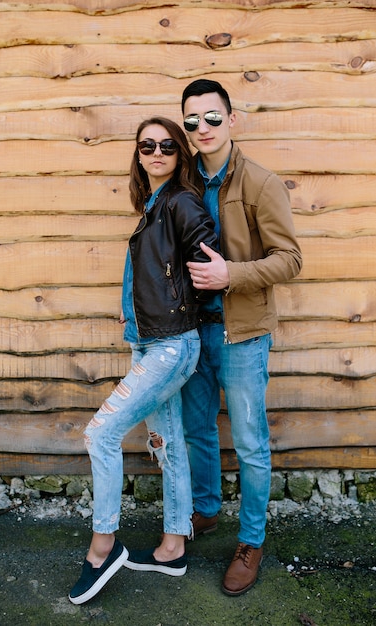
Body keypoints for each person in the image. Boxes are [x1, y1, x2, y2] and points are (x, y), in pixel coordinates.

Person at [69, 117, 219, 605]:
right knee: (167, 443)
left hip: (171, 346)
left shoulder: (180, 201)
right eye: (147, 146)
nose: (157, 153)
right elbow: (156, 268)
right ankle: (173, 546)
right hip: (152, 341)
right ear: (138, 154)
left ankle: (103, 549)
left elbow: (204, 248)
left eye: (168, 146)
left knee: (101, 433)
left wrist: (187, 296)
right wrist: (134, 305)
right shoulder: (154, 205)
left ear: (180, 154)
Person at [180, 79, 303, 596]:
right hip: (190, 333)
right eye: (191, 121)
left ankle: (251, 541)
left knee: (251, 445)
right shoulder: (183, 178)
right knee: (197, 432)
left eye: (212, 118)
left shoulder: (260, 182)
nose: (201, 128)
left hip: (242, 334)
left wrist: (232, 275)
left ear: (233, 120)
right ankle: (205, 512)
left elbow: (290, 259)